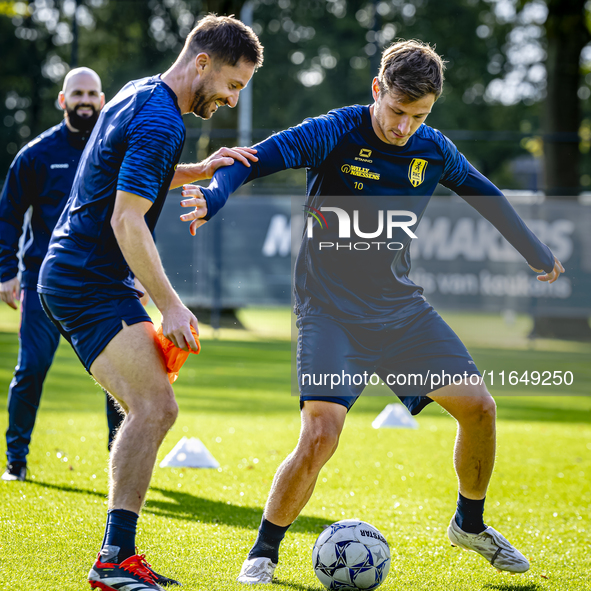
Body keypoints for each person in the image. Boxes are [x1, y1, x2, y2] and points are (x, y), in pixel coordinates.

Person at [179, 40, 565, 584]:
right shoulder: (335, 130)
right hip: (328, 312)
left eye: (419, 116)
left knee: (479, 407)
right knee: (321, 434)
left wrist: (536, 252)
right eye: (397, 112)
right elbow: (253, 159)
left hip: (400, 311)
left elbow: (486, 195)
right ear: (377, 90)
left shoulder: (434, 150)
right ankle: (264, 551)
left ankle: (469, 524)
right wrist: (214, 196)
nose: (405, 127)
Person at [37, 15, 264, 591]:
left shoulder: (140, 92)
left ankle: (118, 557)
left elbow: (129, 177)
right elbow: (125, 217)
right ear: (203, 63)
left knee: (153, 404)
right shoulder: (164, 119)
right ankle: (113, 562)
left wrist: (201, 169)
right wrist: (171, 305)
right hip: (87, 280)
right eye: (232, 85)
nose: (233, 100)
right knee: (155, 407)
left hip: (75, 276)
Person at [0, 68, 126, 483]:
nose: (85, 100)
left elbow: (135, 213)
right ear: (62, 99)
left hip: (103, 285)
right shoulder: (35, 155)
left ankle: (120, 462)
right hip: (43, 283)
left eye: (92, 93)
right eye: (78, 93)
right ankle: (15, 461)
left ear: (102, 100)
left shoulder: (113, 151)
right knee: (31, 368)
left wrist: (136, 274)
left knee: (120, 377)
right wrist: (6, 273)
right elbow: (7, 218)